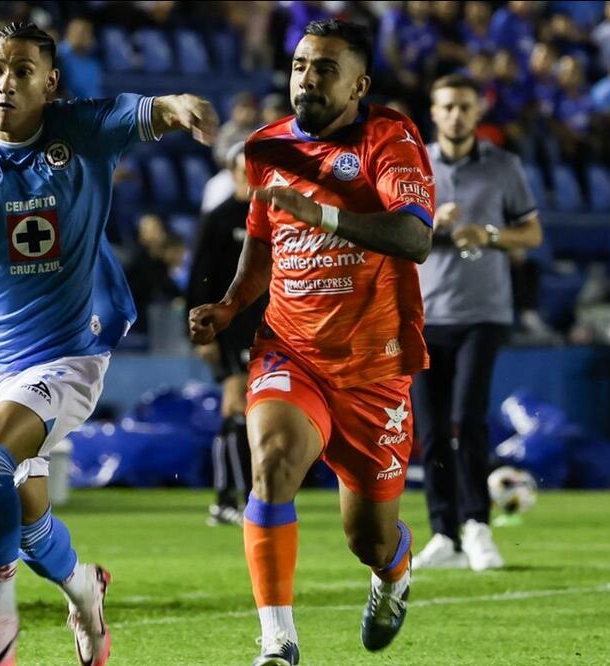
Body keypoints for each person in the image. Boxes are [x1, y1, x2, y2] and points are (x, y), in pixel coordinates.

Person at [0, 20, 217, 666]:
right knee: (27, 519)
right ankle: (83, 588)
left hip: (68, 351)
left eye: (21, 71)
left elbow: (151, 111)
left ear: (50, 83)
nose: (5, 83)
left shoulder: (83, 128)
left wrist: (182, 107)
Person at [189, 19, 435, 665]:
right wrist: (230, 304)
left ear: (359, 85)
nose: (307, 78)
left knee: (368, 540)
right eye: (300, 65)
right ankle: (278, 642)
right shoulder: (266, 146)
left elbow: (415, 238)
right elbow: (262, 243)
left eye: (325, 68)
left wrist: (321, 213)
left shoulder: (390, 139)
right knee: (270, 464)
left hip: (374, 368)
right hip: (290, 349)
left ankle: (394, 569)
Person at [412, 74, 543, 572]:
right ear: (433, 112)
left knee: (467, 418)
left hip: (483, 312)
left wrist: (487, 235)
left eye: (464, 106)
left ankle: (476, 525)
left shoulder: (504, 165)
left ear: (478, 111)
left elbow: (531, 233)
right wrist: (430, 225)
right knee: (430, 430)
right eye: (447, 107)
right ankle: (443, 534)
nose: (456, 115)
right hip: (425, 313)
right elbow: (390, 234)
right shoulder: (413, 164)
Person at [187, 144, 267, 527]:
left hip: (268, 329)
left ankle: (240, 497)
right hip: (230, 329)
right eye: (243, 170)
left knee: (250, 412)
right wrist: (201, 333)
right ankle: (231, 498)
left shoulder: (272, 215)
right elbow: (199, 277)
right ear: (232, 173)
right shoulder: (219, 219)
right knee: (236, 406)